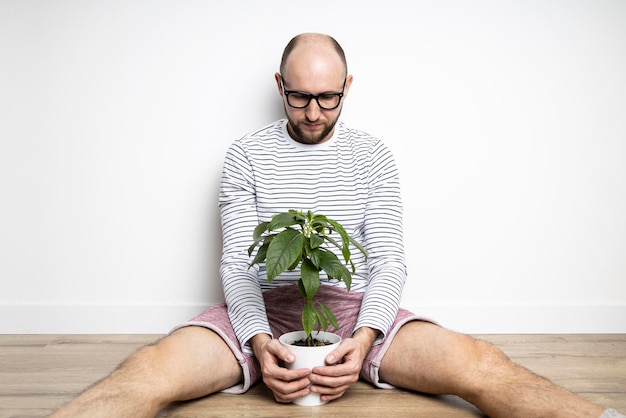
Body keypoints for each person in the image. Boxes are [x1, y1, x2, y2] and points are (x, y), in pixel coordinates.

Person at [52, 33, 623, 418]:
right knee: (149, 372)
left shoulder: (372, 155)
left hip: (352, 313)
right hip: (260, 312)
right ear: (279, 85)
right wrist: (258, 340)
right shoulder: (246, 155)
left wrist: (363, 339)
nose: (313, 112)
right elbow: (235, 263)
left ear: (348, 86)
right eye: (299, 96)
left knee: (479, 365)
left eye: (328, 96)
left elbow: (389, 259)